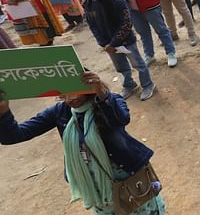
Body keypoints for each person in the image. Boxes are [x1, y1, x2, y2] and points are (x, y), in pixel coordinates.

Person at [0, 71, 166, 213]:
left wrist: (101, 91)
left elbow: (120, 119)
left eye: (73, 90)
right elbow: (14, 136)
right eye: (63, 94)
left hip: (127, 177)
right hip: (95, 185)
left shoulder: (109, 100)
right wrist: (3, 111)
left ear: (87, 85)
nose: (70, 98)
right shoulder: (60, 112)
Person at [82, 0, 156, 101]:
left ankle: (148, 84)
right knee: (121, 67)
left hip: (125, 41)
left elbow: (127, 24)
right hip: (108, 44)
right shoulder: (89, 3)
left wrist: (114, 42)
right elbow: (92, 24)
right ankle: (129, 85)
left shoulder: (117, 0)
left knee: (138, 64)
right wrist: (103, 43)